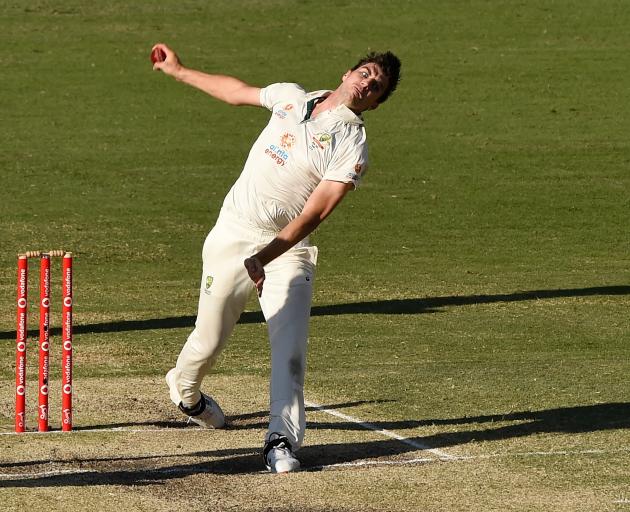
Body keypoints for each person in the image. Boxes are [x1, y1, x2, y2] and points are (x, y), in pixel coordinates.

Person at [152, 43, 401, 473]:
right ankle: (186, 391)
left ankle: (280, 440)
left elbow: (316, 212)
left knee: (289, 350)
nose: (367, 84)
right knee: (209, 340)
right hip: (232, 233)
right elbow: (236, 92)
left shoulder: (352, 145)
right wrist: (178, 71)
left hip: (286, 252)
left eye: (376, 87)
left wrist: (266, 256)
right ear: (347, 73)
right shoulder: (291, 96)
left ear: (375, 104)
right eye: (365, 74)